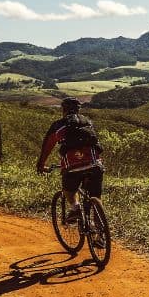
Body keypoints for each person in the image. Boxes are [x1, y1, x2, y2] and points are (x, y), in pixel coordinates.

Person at [36, 97, 105, 238]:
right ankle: (100, 235)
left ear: (63, 110)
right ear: (78, 109)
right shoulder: (88, 122)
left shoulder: (58, 125)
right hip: (95, 164)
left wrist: (41, 164)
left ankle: (75, 209)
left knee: (68, 191)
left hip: (72, 167)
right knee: (95, 196)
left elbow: (47, 146)